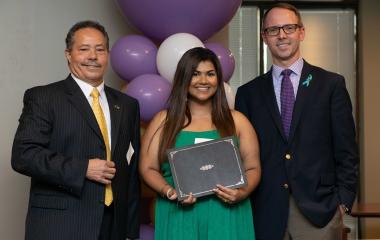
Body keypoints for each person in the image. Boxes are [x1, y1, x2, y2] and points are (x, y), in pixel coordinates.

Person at [235, 3, 359, 240]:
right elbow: (241, 156)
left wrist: (343, 201)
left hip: (319, 212)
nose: (281, 35)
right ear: (264, 37)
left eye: (289, 28)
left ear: (301, 32)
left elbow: (347, 150)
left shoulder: (330, 85)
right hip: (264, 212)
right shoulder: (247, 93)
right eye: (273, 30)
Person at [11, 20, 140, 240]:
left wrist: (129, 231)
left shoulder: (127, 105)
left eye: (100, 50)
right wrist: (83, 168)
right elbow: (23, 155)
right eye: (83, 49)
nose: (93, 56)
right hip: (62, 225)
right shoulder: (44, 97)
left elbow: (131, 171)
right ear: (68, 54)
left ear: (107, 55)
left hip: (113, 227)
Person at [139, 47, 261, 240]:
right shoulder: (164, 121)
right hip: (179, 215)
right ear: (183, 78)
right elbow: (148, 168)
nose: (203, 81)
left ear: (218, 79)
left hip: (227, 215)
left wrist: (241, 193)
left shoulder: (237, 121)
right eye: (195, 74)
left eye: (210, 74)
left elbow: (253, 167)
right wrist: (169, 191)